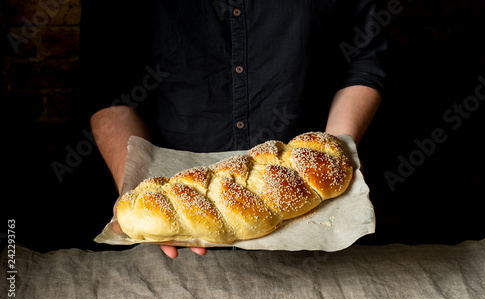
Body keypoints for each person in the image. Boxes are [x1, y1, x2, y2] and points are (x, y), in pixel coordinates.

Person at [81, 0, 386, 258]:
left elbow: (362, 59)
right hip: (172, 229)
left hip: (319, 221)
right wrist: (132, 184)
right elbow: (108, 85)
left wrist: (331, 158)